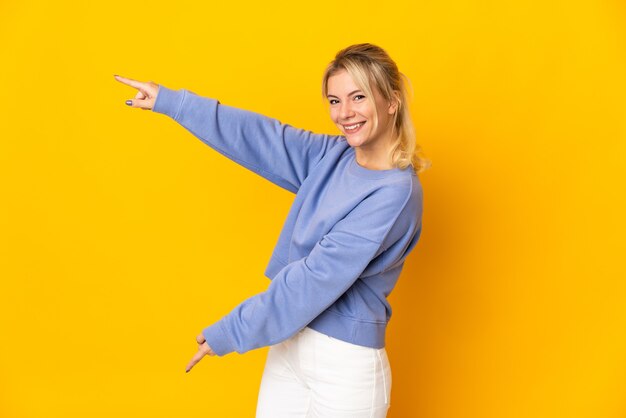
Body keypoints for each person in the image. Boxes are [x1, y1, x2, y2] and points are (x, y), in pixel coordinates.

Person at [114, 43, 430, 418]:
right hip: (289, 343)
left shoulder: (394, 193)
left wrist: (233, 330)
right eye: (333, 100)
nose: (344, 114)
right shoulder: (332, 155)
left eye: (357, 97)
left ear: (391, 101)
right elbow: (262, 137)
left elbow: (314, 281)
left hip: (344, 367)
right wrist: (175, 103)